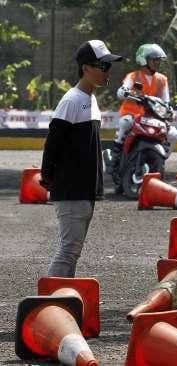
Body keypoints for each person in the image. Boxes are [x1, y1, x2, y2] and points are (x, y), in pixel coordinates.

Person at [40, 40, 123, 277]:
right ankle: (47, 305)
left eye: (109, 66)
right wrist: (48, 176)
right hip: (71, 189)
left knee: (73, 250)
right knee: (68, 250)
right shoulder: (72, 100)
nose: (108, 71)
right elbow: (53, 142)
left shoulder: (90, 99)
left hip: (85, 190)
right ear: (86, 68)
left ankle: (60, 304)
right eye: (103, 66)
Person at [109, 43, 177, 180]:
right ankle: (115, 156)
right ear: (143, 59)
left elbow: (166, 101)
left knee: (174, 135)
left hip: (153, 117)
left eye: (158, 59)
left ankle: (161, 158)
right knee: (125, 122)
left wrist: (169, 108)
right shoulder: (133, 76)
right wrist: (124, 92)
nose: (157, 62)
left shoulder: (162, 79)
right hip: (132, 114)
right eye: (154, 59)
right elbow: (123, 89)